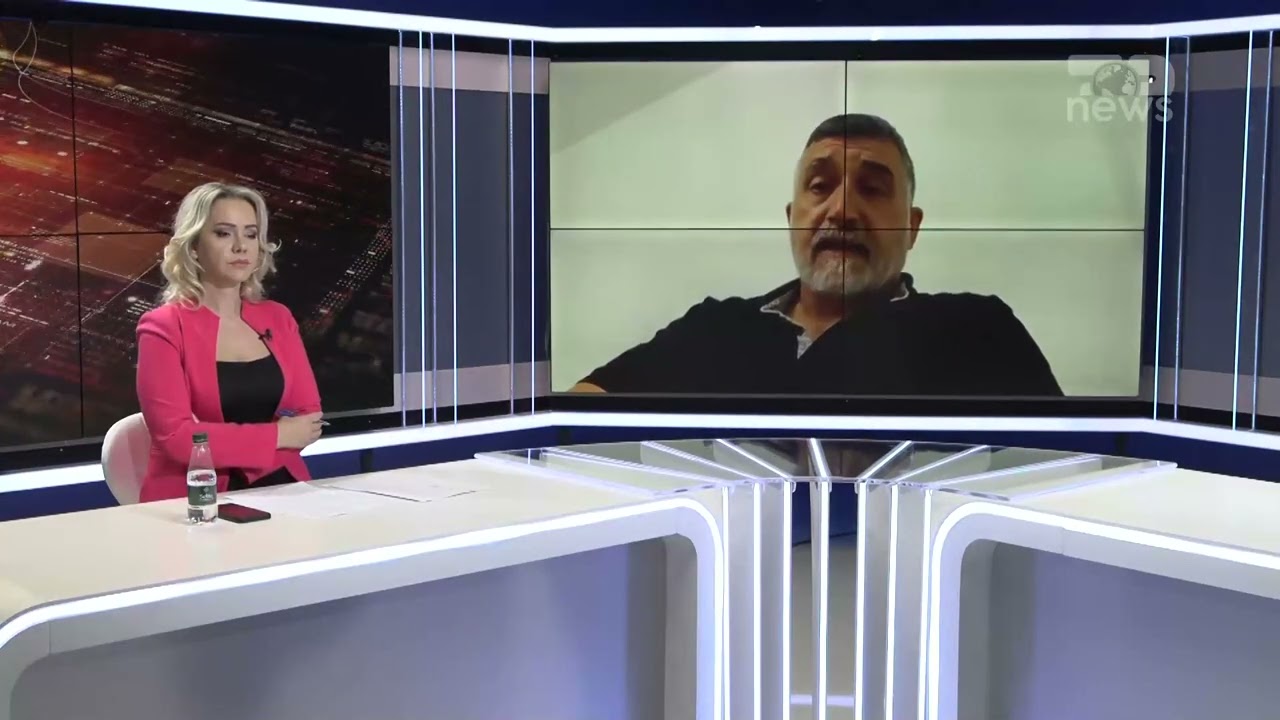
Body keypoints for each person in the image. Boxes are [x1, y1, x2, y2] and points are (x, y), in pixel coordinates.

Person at [571, 113, 1063, 397]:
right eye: (820, 186)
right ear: (792, 218)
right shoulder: (713, 328)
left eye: (872, 189)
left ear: (912, 228)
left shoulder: (979, 330)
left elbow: (1064, 473)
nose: (842, 210)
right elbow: (575, 417)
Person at [134, 182, 324, 502]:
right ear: (194, 246)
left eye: (250, 234)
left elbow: (310, 419)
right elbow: (177, 439)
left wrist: (234, 442)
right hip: (196, 497)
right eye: (224, 233)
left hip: (282, 485)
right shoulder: (164, 328)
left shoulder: (278, 318)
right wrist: (278, 435)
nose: (241, 247)